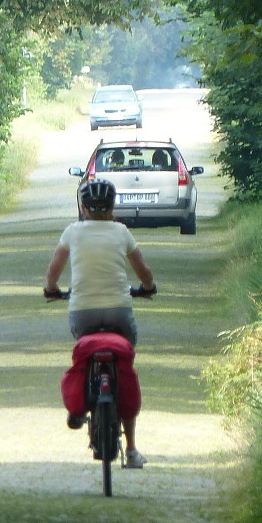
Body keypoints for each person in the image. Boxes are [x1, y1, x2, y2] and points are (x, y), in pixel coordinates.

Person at [44, 178, 156, 468]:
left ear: (83, 206)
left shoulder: (72, 232)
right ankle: (131, 451)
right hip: (120, 312)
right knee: (124, 364)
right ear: (113, 205)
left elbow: (53, 270)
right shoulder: (122, 232)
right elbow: (143, 270)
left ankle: (79, 406)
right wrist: (147, 286)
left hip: (83, 314)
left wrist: (52, 290)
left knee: (83, 353)